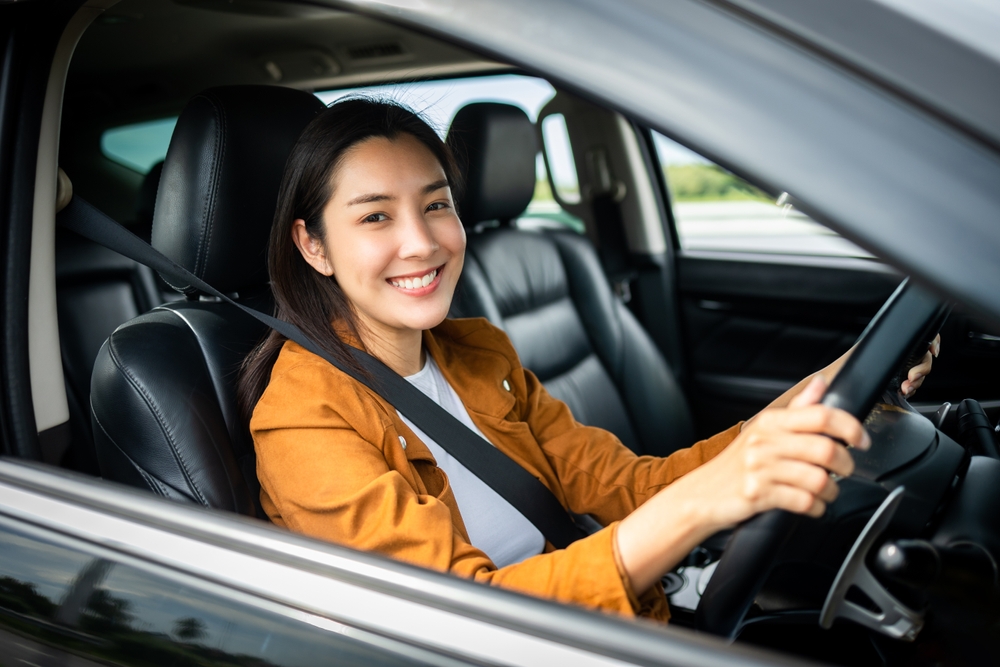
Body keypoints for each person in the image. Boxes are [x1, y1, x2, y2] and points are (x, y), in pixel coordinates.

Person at [241, 98, 938, 622]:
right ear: (314, 246)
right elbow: (466, 618)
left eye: (436, 205)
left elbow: (633, 487)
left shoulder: (479, 352)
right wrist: (703, 502)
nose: (421, 243)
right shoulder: (303, 418)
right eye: (375, 216)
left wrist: (829, 388)